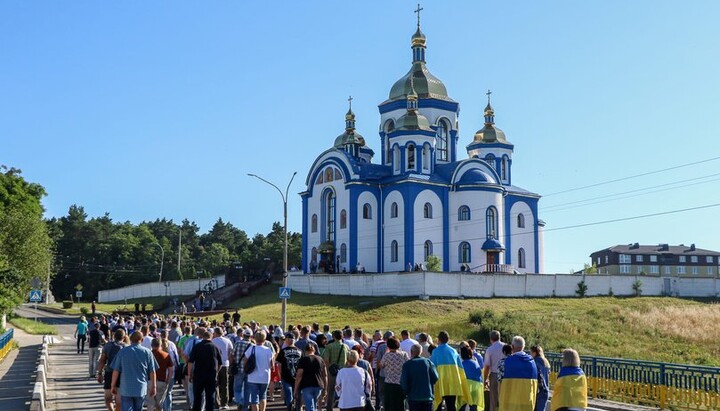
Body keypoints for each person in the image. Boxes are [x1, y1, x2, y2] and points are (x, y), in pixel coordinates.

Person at [110, 331, 159, 411]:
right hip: (140, 388)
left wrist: (113, 385)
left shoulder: (122, 352)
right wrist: (154, 386)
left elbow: (116, 370)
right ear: (142, 340)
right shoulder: (147, 352)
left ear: (130, 339)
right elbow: (152, 371)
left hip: (126, 388)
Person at [429, 331, 470, 411]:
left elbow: (432, 367)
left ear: (438, 340)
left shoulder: (435, 352)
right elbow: (460, 369)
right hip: (452, 383)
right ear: (448, 340)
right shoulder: (454, 351)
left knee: (438, 406)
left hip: (439, 382)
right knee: (451, 406)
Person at [499, 336, 538, 411]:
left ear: (512, 347)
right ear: (524, 346)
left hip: (509, 402)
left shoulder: (505, 362)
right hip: (526, 403)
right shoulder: (532, 362)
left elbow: (500, 381)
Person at [188, 329, 223, 411]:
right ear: (211, 337)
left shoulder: (197, 346)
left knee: (197, 396)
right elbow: (220, 362)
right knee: (210, 397)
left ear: (203, 337)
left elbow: (190, 362)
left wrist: (190, 374)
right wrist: (216, 372)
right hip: (211, 375)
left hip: (198, 374)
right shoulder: (215, 347)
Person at [400, 344, 439, 411]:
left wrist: (405, 393)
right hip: (427, 396)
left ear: (411, 352)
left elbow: (404, 382)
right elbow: (435, 377)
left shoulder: (407, 364)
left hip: (413, 397)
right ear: (421, 352)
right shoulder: (428, 362)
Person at [244, 330, 275, 411]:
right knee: (263, 396)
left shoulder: (251, 348)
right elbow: (272, 364)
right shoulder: (268, 350)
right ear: (264, 339)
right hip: (265, 377)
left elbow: (245, 361)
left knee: (254, 399)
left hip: (253, 376)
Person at [97, 329, 126, 411]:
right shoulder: (126, 347)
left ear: (114, 336)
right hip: (122, 374)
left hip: (109, 372)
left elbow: (102, 360)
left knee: (108, 398)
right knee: (119, 400)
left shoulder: (107, 345)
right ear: (123, 337)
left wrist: (99, 373)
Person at [294, 344, 328, 411]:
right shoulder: (320, 359)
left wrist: (296, 388)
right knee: (314, 404)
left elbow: (299, 375)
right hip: (318, 385)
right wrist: (325, 388)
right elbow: (325, 375)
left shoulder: (303, 360)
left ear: (305, 351)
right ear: (314, 350)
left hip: (306, 385)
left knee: (309, 406)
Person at [379, 336, 409, 411]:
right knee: (400, 405)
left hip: (389, 383)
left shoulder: (386, 356)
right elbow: (408, 364)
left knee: (389, 405)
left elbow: (381, 365)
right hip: (400, 383)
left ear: (388, 345)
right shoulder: (404, 354)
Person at [322, 330, 349, 411]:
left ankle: (329, 408)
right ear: (342, 337)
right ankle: (343, 407)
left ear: (333, 337)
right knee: (343, 391)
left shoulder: (329, 346)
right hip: (343, 372)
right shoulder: (346, 347)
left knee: (331, 391)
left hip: (332, 372)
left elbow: (326, 360)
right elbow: (348, 361)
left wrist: (326, 370)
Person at [276, 333, 302, 411]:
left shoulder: (283, 351)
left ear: (287, 340)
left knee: (289, 395)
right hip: (297, 376)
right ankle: (297, 408)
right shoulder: (300, 351)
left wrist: (280, 376)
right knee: (297, 394)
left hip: (286, 376)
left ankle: (290, 408)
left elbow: (279, 365)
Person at [147, 338, 174, 411]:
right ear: (160, 345)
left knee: (150, 404)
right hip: (161, 381)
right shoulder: (166, 355)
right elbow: (171, 370)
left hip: (149, 381)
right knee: (159, 405)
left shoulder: (148, 354)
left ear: (151, 345)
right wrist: (168, 381)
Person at [213, 327, 235, 409]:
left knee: (215, 384)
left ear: (215, 333)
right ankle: (224, 403)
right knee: (225, 384)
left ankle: (216, 403)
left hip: (215, 365)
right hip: (225, 364)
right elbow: (231, 352)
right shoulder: (227, 340)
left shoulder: (213, 341)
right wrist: (230, 360)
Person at [232, 328, 254, 411]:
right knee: (247, 389)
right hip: (248, 370)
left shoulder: (237, 343)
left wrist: (232, 363)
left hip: (238, 369)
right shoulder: (252, 346)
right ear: (251, 336)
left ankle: (240, 402)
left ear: (243, 335)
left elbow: (232, 355)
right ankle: (245, 406)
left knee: (237, 388)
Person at [458, 346, 484, 411]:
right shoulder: (475, 363)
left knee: (461, 406)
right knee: (473, 408)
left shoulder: (461, 364)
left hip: (465, 389)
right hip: (475, 389)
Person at [483, 330, 503, 411]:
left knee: (493, 399)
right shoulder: (506, 347)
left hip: (494, 375)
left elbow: (487, 366)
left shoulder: (490, 350)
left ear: (491, 339)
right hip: (505, 375)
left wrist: (485, 379)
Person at [530, 346, 550, 411]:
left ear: (535, 353)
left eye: (531, 353)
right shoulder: (546, 362)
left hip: (538, 390)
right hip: (545, 390)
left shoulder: (534, 362)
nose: (530, 355)